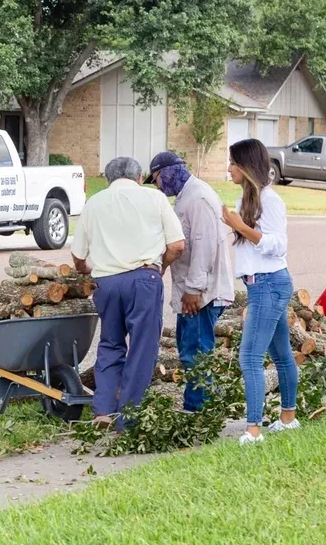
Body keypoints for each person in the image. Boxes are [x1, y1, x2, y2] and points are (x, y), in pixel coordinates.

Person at [70, 156, 185, 429]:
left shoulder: (94, 203)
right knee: (142, 348)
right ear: (138, 176)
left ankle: (103, 411)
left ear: (108, 179)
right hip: (143, 278)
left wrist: (93, 267)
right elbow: (178, 245)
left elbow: (77, 257)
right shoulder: (154, 199)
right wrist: (161, 267)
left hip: (106, 283)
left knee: (110, 344)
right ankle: (128, 417)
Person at [222, 139, 298, 445]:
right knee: (280, 354)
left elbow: (278, 245)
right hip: (260, 286)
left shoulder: (270, 200)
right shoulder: (248, 200)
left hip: (269, 283)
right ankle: (288, 420)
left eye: (233, 163)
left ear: (247, 165)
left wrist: (240, 227)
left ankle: (253, 431)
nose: (229, 169)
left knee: (250, 357)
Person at [145, 151, 235, 413]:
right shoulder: (187, 196)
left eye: (158, 179)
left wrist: (194, 289)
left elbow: (204, 247)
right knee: (191, 350)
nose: (159, 186)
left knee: (195, 353)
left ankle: (197, 411)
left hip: (201, 293)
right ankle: (211, 404)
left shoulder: (197, 198)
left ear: (171, 170)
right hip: (194, 290)